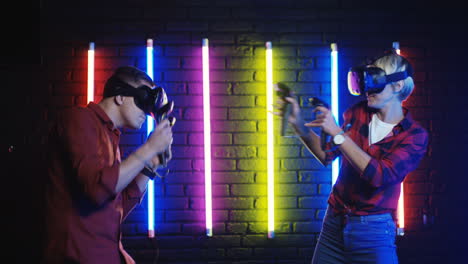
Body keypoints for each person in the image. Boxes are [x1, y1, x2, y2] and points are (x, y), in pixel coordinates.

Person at [275, 51, 428, 263]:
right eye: (366, 80)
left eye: (376, 80)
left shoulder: (413, 135)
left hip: (373, 233)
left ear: (397, 86)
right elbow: (327, 155)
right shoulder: (357, 113)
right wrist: (298, 123)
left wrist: (338, 134)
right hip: (334, 223)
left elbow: (379, 176)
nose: (367, 88)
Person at [42, 66, 174, 264]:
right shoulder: (79, 119)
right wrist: (148, 149)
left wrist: (150, 166)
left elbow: (114, 208)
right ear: (120, 96)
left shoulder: (110, 138)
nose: (147, 113)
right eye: (143, 100)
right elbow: (95, 190)